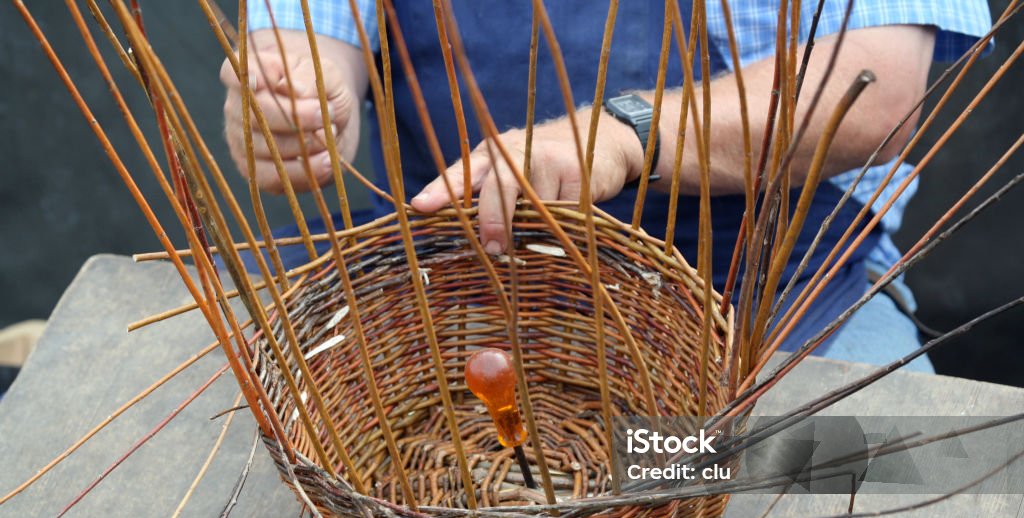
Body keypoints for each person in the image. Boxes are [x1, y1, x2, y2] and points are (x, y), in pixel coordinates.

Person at [222, 1, 992, 372]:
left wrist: (623, 134)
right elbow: (308, 47)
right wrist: (293, 109)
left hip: (768, 306)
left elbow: (875, 92)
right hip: (447, 287)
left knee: (859, 510)